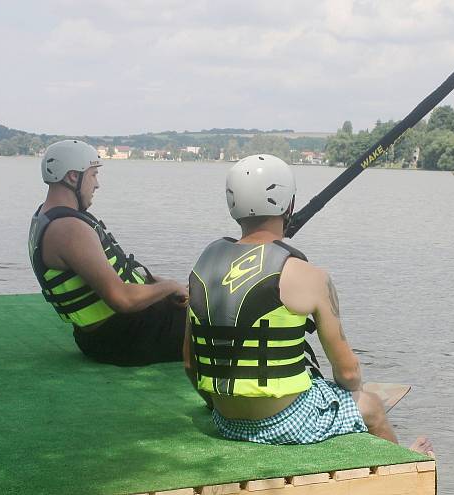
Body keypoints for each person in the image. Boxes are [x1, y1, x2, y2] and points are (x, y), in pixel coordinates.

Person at [184, 154, 432, 453]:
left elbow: (190, 363)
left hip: (224, 419)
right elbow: (349, 374)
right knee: (371, 406)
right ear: (289, 205)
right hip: (284, 421)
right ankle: (403, 465)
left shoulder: (203, 267)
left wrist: (223, 407)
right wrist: (348, 393)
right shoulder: (310, 276)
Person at [28, 139, 189, 366]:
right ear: (73, 177)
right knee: (223, 318)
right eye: (93, 175)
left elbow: (118, 275)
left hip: (106, 335)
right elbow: (122, 300)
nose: (97, 184)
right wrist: (170, 286)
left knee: (202, 296)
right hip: (125, 337)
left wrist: (163, 286)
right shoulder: (68, 228)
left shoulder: (47, 217)